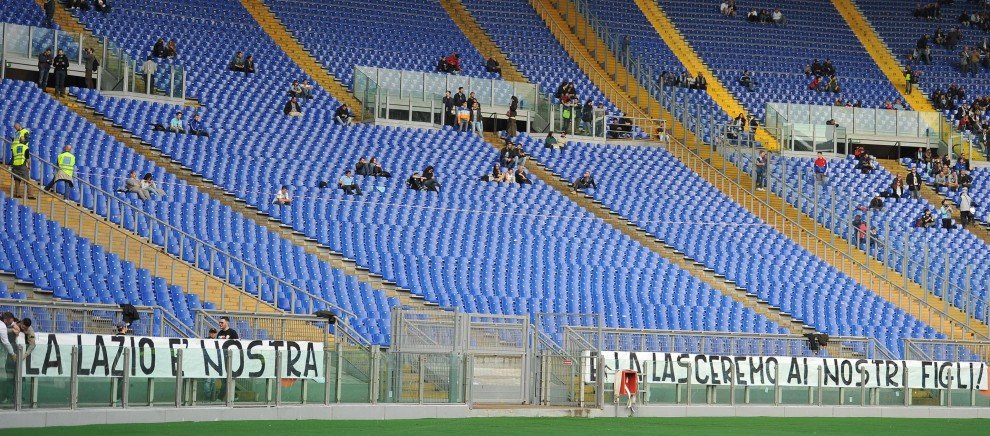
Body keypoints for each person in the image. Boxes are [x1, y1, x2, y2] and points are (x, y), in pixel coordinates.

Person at [9, 123, 34, 199]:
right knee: (27, 180)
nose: (16, 129)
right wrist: (29, 166)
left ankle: (17, 194)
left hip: (15, 165)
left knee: (17, 180)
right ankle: (30, 195)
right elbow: (27, 158)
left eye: (16, 127)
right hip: (22, 165)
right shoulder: (25, 148)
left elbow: (13, 158)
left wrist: (10, 165)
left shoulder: (15, 148)